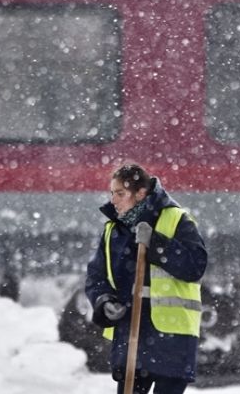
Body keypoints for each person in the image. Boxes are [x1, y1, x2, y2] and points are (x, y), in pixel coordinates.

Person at [85, 163, 208, 394]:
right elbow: (96, 276)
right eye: (112, 193)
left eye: (120, 193)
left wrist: (156, 244)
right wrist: (103, 301)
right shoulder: (113, 230)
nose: (113, 200)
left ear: (140, 193)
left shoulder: (176, 219)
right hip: (130, 338)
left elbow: (195, 266)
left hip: (172, 341)